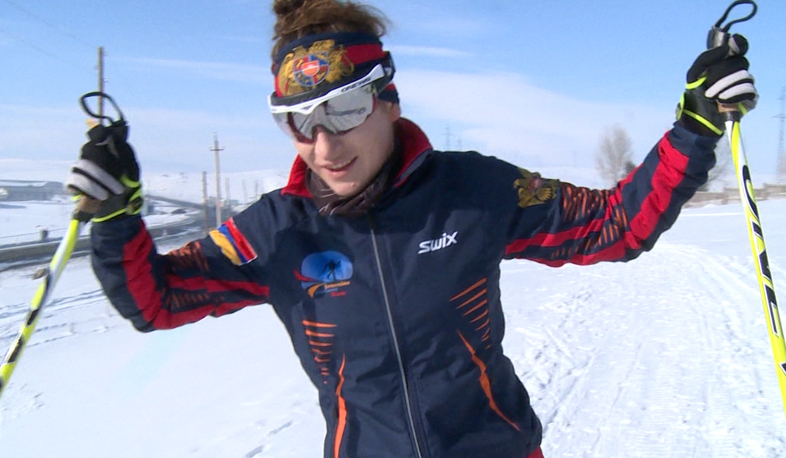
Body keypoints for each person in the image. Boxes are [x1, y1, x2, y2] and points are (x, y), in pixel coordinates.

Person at [64, 1, 758, 457]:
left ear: (388, 100)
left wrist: (695, 124)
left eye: (342, 110)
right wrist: (116, 216)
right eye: (298, 121)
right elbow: (155, 300)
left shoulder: (474, 191)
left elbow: (617, 226)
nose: (324, 144)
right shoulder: (275, 232)